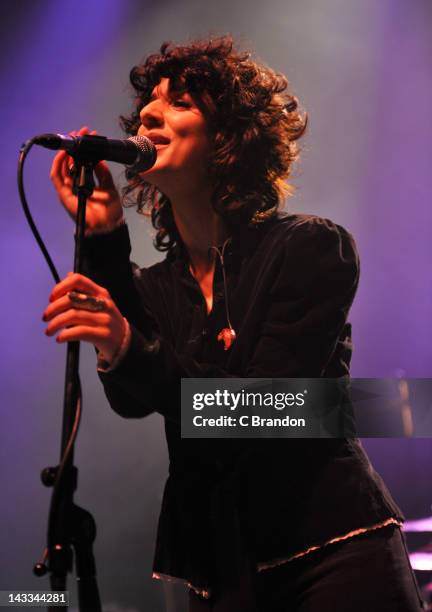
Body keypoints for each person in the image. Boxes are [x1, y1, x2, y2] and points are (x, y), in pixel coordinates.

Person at [42, 36, 424, 611]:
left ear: (228, 137)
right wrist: (103, 239)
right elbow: (131, 396)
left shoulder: (311, 248)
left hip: (333, 556)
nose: (148, 112)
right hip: (221, 571)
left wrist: (129, 346)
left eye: (180, 102)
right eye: (149, 103)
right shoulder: (158, 287)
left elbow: (259, 411)